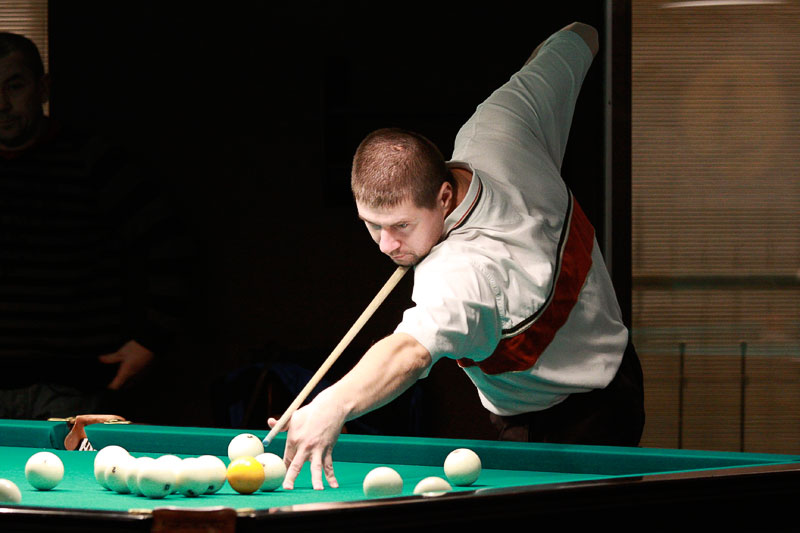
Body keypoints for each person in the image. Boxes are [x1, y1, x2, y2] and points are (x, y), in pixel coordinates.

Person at [268, 22, 644, 490]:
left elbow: (408, 351)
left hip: (588, 413)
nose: (386, 245)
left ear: (444, 197)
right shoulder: (502, 124)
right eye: (372, 225)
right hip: (558, 395)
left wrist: (333, 404)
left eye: (401, 226)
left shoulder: (459, 272)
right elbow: (579, 36)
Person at [0, 32, 189, 419]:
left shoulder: (95, 162)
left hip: (69, 386)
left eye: (14, 86)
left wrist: (149, 341)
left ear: (43, 88)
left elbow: (170, 248)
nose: (1, 104)